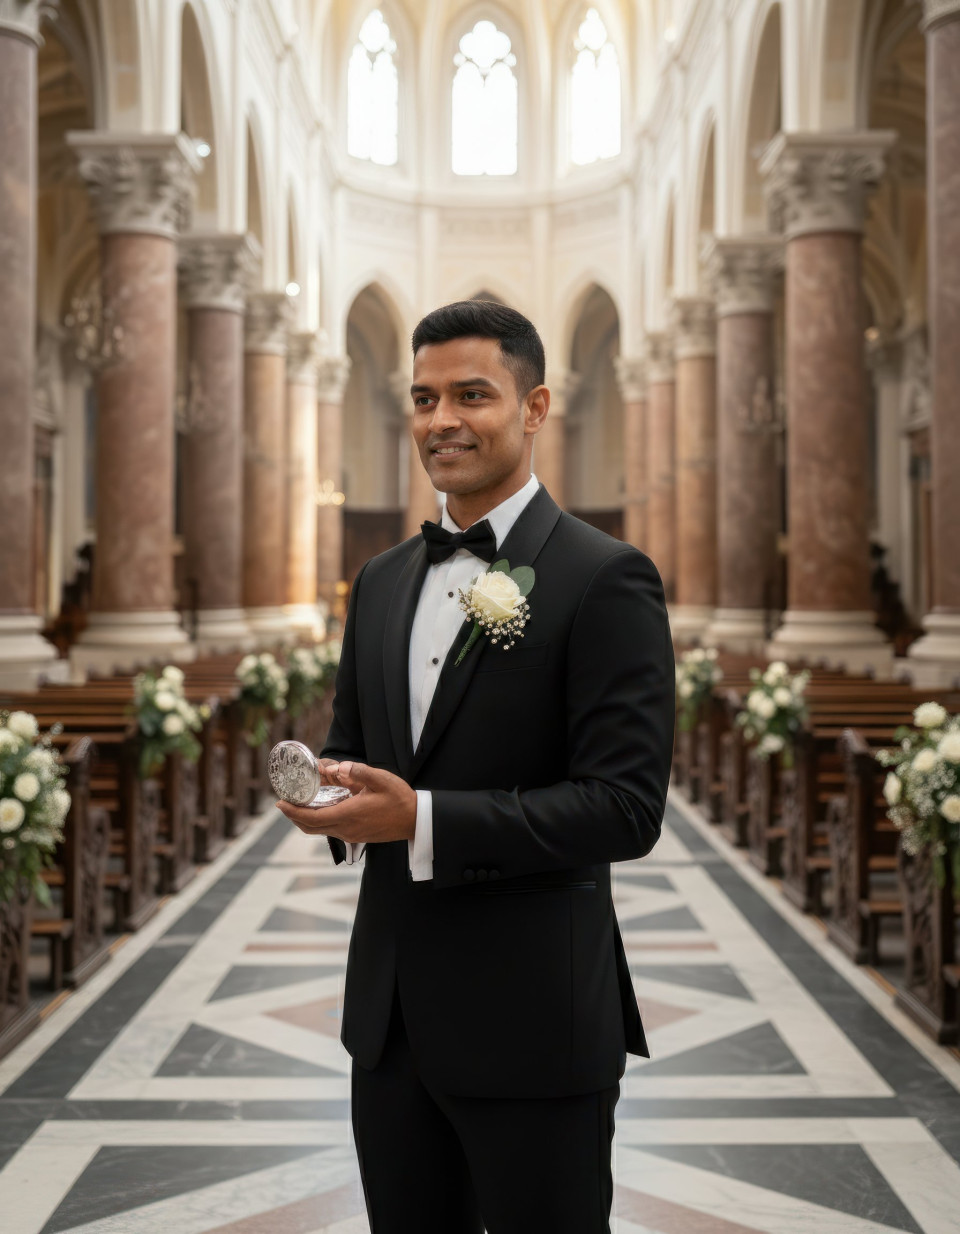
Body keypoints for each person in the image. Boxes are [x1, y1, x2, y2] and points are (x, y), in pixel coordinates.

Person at [277, 300, 674, 1233]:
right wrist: (332, 794)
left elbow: (625, 807)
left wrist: (420, 819)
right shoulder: (379, 582)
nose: (440, 420)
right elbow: (360, 746)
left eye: (470, 395)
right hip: (390, 1023)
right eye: (422, 398)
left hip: (534, 1022)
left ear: (534, 408)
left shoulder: (604, 576)